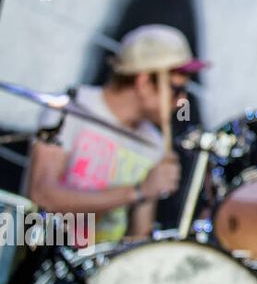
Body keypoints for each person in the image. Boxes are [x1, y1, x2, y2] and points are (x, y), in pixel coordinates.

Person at [26, 25, 207, 248]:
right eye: (176, 89)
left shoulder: (154, 143)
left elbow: (138, 237)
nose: (181, 101)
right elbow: (43, 195)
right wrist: (138, 191)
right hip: (44, 258)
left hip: (97, 273)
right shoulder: (70, 109)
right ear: (143, 82)